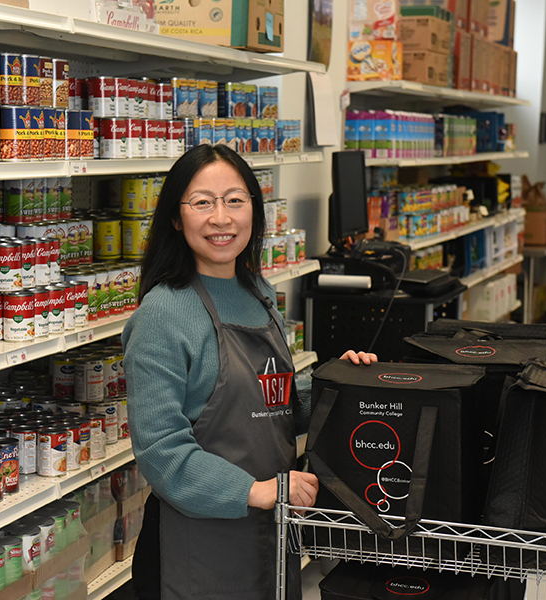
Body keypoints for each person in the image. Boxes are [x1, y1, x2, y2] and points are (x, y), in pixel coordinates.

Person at [123, 145, 376, 600]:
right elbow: (161, 450)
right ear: (176, 219)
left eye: (235, 200)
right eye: (203, 202)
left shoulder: (257, 290)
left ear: (255, 212)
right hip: (196, 544)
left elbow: (271, 402)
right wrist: (259, 491)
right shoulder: (162, 313)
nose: (222, 218)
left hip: (270, 530)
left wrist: (342, 387)